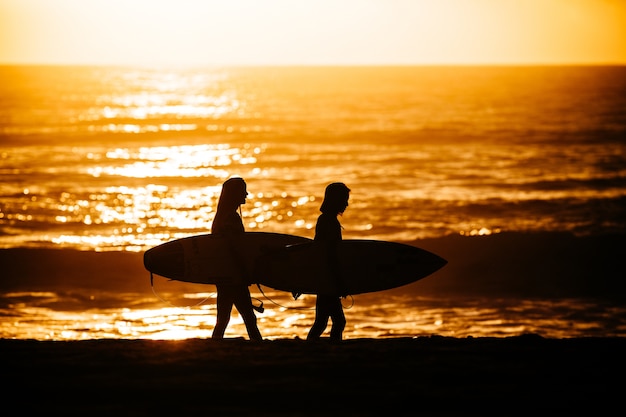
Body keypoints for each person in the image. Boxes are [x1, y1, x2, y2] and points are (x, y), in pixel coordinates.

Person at [211, 177, 263, 341]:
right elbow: (235, 249)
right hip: (234, 276)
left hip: (224, 275)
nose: (246, 194)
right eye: (243, 190)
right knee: (248, 317)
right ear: (234, 194)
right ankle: (258, 346)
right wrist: (246, 271)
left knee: (224, 318)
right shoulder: (231, 218)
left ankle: (215, 344)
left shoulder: (220, 217)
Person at [306, 182, 351, 341]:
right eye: (344, 199)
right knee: (337, 321)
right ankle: (332, 347)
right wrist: (338, 280)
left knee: (322, 322)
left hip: (324, 278)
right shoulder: (328, 222)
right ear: (335, 200)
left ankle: (312, 347)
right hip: (327, 279)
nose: (346, 203)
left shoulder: (326, 220)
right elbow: (330, 254)